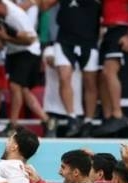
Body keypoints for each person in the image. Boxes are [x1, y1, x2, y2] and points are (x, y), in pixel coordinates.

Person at [0, 0, 50, 135]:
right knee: (24, 90)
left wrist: (6, 38)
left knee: (15, 85)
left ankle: (13, 124)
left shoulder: (16, 16)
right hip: (13, 52)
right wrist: (1, 40)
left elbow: (30, 40)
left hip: (29, 51)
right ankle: (47, 120)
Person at [39, 0, 100, 137]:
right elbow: (43, 6)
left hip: (89, 41)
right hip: (65, 40)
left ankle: (88, 121)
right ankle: (72, 117)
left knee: (90, 82)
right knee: (64, 77)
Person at [94, 0, 128, 137]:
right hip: (108, 31)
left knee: (109, 71)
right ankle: (109, 116)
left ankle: (117, 114)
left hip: (121, 29)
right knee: (102, 76)